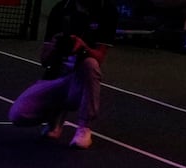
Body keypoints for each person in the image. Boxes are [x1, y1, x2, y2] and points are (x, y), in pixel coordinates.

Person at [8, 0, 119, 148]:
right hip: (55, 78)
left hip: (80, 81)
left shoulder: (107, 10)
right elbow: (44, 60)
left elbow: (99, 57)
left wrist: (83, 47)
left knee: (90, 64)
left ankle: (83, 128)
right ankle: (56, 115)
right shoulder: (60, 9)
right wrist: (55, 46)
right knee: (18, 115)